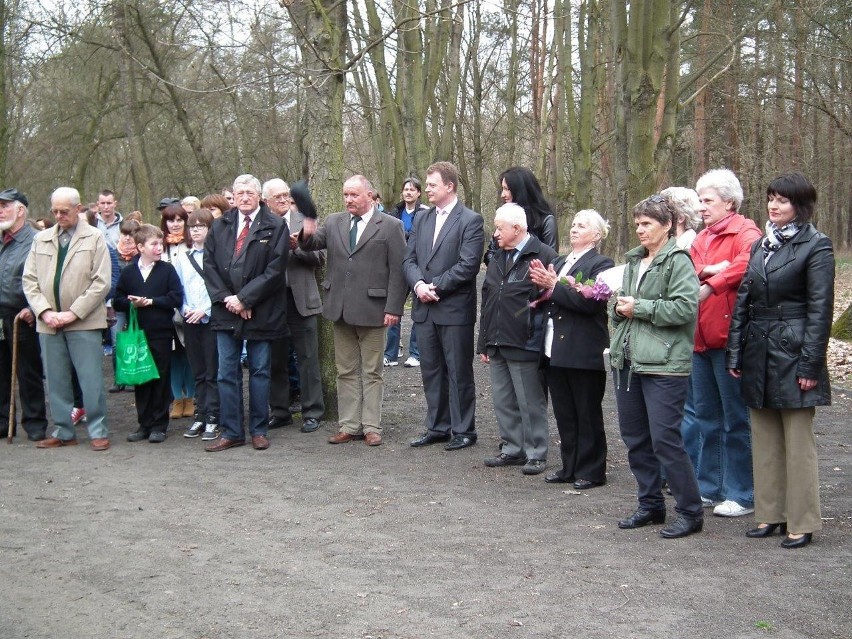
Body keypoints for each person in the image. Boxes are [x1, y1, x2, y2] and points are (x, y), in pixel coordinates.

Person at [727, 172, 834, 549]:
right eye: (771, 198)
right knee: (764, 435)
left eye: (782, 200)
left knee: (797, 440)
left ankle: (801, 519)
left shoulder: (816, 245)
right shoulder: (761, 245)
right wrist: (735, 350)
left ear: (800, 205)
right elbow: (744, 300)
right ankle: (770, 513)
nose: (773, 205)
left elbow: (820, 311)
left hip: (794, 348)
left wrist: (810, 365)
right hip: (758, 347)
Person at [609, 194, 703, 538]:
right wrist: (618, 309)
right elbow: (620, 306)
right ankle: (650, 505)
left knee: (665, 439)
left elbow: (683, 309)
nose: (640, 230)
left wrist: (640, 307)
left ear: (667, 225)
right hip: (629, 361)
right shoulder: (634, 261)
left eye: (647, 223)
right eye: (637, 223)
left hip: (665, 364)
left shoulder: (679, 261)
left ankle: (691, 511)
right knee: (635, 438)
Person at [679, 169, 763, 518]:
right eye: (699, 200)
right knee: (706, 418)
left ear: (729, 201)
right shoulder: (701, 237)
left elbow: (746, 265)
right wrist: (709, 270)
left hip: (729, 342)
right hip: (699, 340)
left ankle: (741, 492)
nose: (701, 207)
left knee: (735, 420)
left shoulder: (747, 232)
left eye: (707, 200)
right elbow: (689, 270)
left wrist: (717, 277)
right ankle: (708, 488)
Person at [299, 175, 407, 447]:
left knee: (372, 372)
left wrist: (394, 307)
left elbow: (398, 270)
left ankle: (372, 426)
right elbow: (311, 245)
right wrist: (307, 229)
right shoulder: (335, 221)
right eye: (346, 195)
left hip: (374, 309)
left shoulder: (391, 226)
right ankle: (349, 425)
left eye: (354, 195)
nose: (348, 200)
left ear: (370, 195)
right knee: (345, 371)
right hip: (340, 308)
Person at [529, 209, 614, 488]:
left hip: (583, 347)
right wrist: (541, 284)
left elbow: (590, 304)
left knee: (586, 411)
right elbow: (545, 297)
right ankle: (570, 465)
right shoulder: (559, 260)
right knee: (564, 411)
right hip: (554, 346)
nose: (574, 229)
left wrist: (556, 285)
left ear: (597, 235)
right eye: (573, 224)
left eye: (582, 226)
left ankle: (591, 470)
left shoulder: (602, 264)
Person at [203, 174, 288, 452]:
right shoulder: (220, 226)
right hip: (225, 310)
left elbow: (275, 271)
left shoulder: (275, 226)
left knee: (260, 371)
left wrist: (245, 298)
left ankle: (259, 430)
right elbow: (210, 266)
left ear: (259, 196)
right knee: (226, 372)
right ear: (233, 196)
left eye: (250, 192)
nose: (244, 197)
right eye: (240, 193)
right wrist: (229, 299)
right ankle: (231, 431)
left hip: (261, 310)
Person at [23, 187, 111, 451]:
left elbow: (101, 282)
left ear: (78, 208)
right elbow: (29, 280)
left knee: (91, 379)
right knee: (56, 378)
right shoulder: (41, 239)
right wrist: (45, 312)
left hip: (83, 321)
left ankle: (98, 430)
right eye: (55, 211)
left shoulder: (94, 238)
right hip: (48, 322)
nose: (59, 216)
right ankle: (63, 430)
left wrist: (73, 313)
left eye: (65, 211)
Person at [405, 161, 485, 451]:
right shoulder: (422, 219)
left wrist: (433, 286)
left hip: (453, 309)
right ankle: (438, 426)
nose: (426, 189)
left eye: (431, 185)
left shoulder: (470, 220)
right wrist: (418, 285)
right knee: (431, 370)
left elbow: (468, 266)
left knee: (458, 371)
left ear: (449, 186)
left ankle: (464, 430)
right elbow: (409, 259)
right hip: (425, 309)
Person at [478, 203, 557, 475]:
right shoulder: (498, 256)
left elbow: (549, 303)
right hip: (497, 340)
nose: (495, 233)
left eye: (499, 228)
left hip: (525, 340)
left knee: (529, 400)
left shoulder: (544, 255)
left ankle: (536, 452)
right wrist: (483, 342)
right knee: (503, 400)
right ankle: (512, 448)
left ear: (517, 228)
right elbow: (487, 299)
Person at [262, 178, 325, 433]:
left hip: (302, 300)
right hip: (272, 301)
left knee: (308, 358)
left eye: (286, 194)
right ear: (265, 201)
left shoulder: (304, 221)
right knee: (275, 360)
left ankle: (312, 412)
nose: (283, 199)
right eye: (276, 196)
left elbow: (320, 257)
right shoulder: (260, 225)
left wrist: (297, 247)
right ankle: (279, 411)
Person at [114, 224, 183, 443]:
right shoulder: (129, 272)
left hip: (161, 332)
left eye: (160, 243)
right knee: (141, 378)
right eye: (153, 244)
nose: (158, 248)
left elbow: (176, 298)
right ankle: (144, 423)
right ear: (140, 247)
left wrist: (152, 302)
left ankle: (159, 425)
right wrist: (132, 303)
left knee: (160, 377)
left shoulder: (167, 270)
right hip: (138, 334)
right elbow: (117, 300)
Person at [0, 188, 48, 441]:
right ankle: (1, 422)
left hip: (23, 316)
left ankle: (35, 422)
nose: (0, 210)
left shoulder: (37, 240)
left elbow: (47, 280)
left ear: (20, 210)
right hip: (0, 314)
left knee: (28, 371)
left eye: (4, 205)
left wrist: (33, 309)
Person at [174, 209, 220, 440]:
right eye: (192, 226)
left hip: (211, 320)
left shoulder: (218, 256)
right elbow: (178, 289)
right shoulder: (182, 258)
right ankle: (200, 415)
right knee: (198, 371)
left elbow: (221, 290)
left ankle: (214, 416)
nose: (196, 230)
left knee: (213, 371)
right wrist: (185, 310)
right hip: (190, 320)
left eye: (201, 226)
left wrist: (206, 310)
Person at [384, 176, 429, 368]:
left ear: (419, 193)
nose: (408, 192)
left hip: (418, 266)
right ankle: (391, 354)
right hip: (397, 265)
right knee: (393, 308)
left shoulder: (426, 213)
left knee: (418, 311)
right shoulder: (394, 212)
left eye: (412, 189)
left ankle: (415, 354)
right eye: (406, 189)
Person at [160, 203, 195, 420]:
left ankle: (190, 397)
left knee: (189, 354)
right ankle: (176, 398)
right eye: (171, 220)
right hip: (166, 308)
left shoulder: (191, 245)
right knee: (173, 355)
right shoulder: (160, 247)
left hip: (188, 306)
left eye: (179, 220)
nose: (175, 224)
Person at [483, 166, 558, 265]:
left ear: (520, 190)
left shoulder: (546, 221)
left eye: (506, 189)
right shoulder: (504, 217)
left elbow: (551, 261)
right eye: (502, 189)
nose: (502, 195)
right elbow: (490, 254)